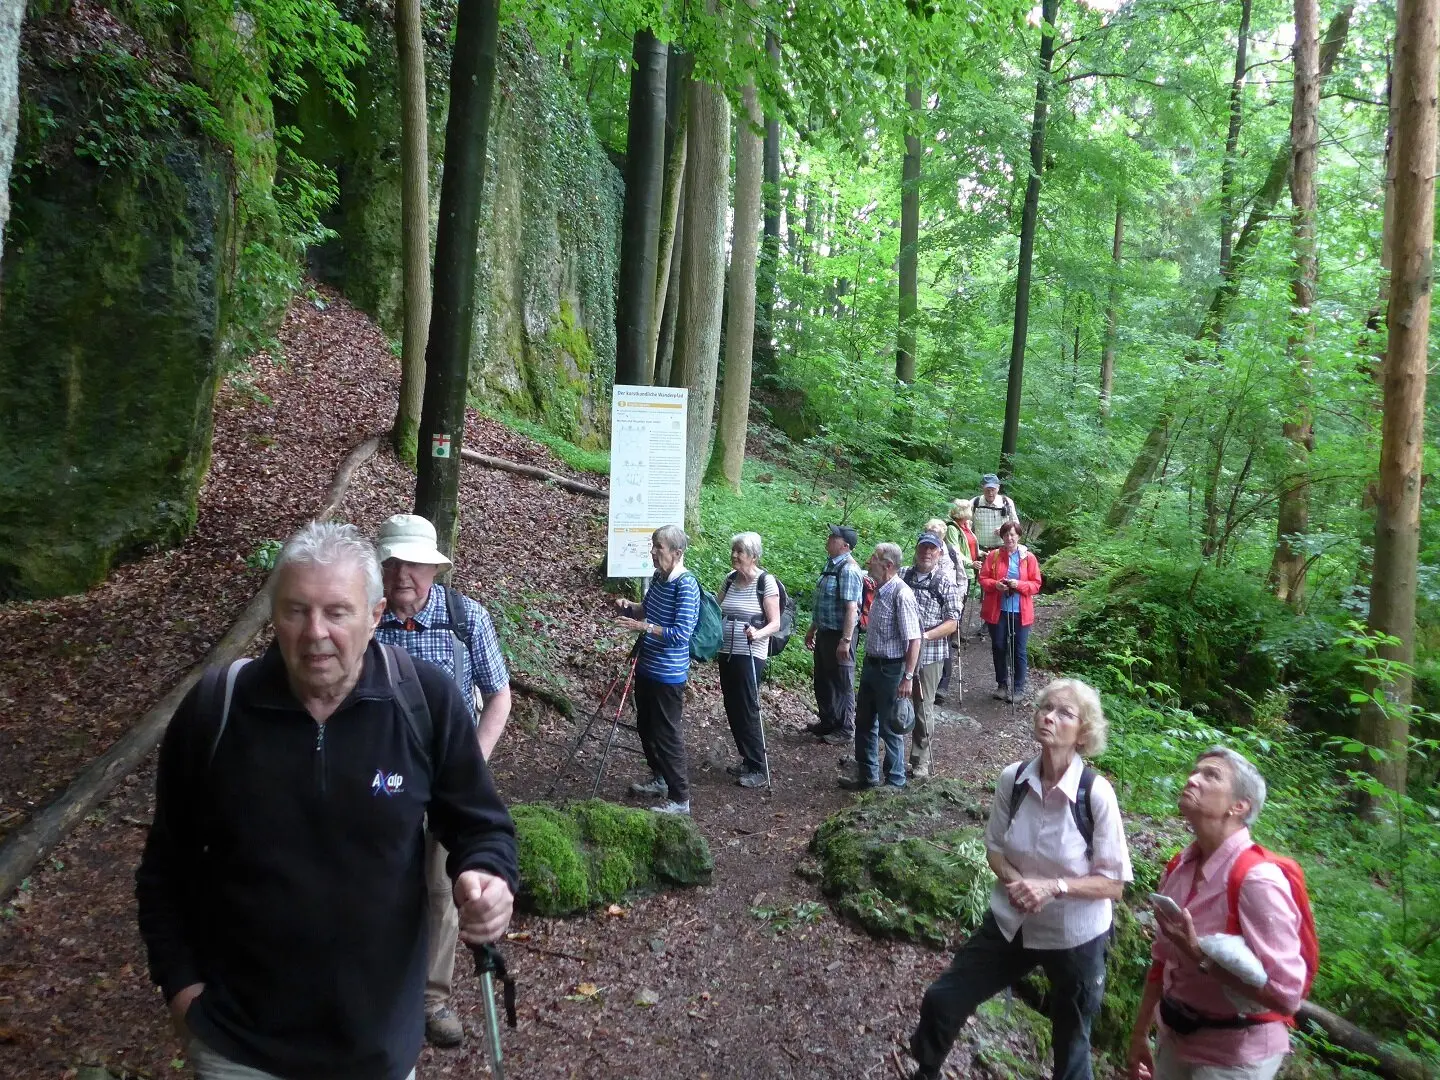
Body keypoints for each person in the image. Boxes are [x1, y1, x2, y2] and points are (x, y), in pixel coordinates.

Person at [136, 522, 517, 1080]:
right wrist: (182, 989)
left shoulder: (424, 701)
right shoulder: (216, 710)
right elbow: (165, 869)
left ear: (374, 617)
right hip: (240, 1048)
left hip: (377, 1050)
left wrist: (490, 876)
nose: (315, 632)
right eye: (296, 610)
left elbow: (481, 826)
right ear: (274, 615)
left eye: (337, 611)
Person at [908, 679, 1132, 1080]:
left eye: (1064, 712)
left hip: (1076, 937)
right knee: (944, 999)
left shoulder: (1095, 794)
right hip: (1013, 923)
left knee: (1072, 1043)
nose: (1048, 716)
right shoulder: (1013, 780)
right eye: (1045, 707)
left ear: (1083, 733)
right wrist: (1017, 884)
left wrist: (1053, 887)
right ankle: (925, 1071)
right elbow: (995, 849)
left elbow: (1114, 884)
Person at [372, 513, 512, 1048]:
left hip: (443, 781)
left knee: (443, 887)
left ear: (432, 568)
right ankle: (378, 987)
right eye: (393, 562)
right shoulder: (367, 620)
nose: (403, 573)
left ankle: (432, 999)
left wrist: (470, 763)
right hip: (376, 778)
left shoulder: (465, 619)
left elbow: (498, 695)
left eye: (414, 563)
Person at [1127, 749, 1307, 1080]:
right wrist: (1140, 1033)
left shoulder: (1257, 881)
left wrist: (1199, 956)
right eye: (1194, 772)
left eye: (1211, 775)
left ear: (1239, 807)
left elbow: (1287, 997)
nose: (1192, 779)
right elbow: (1161, 958)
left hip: (1236, 1057)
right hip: (1175, 1038)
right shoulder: (1180, 867)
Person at [612, 524, 701, 815]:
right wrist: (630, 607)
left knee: (667, 732)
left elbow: (680, 634)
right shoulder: (658, 578)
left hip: (668, 673)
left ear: (677, 553)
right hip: (647, 666)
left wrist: (642, 627)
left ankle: (681, 799)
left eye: (658, 547)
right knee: (646, 726)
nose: (652, 551)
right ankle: (660, 778)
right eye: (653, 545)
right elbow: (647, 611)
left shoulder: (686, 585)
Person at [839, 543, 921, 791]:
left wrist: (907, 677)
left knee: (890, 726)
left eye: (873, 557)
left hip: (892, 670)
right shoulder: (879, 590)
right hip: (872, 665)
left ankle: (895, 781)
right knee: (864, 722)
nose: (868, 561)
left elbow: (914, 639)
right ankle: (868, 776)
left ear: (887, 565)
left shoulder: (901, 594)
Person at [716, 532, 782, 788]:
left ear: (753, 556)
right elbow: (715, 607)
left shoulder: (766, 582)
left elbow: (774, 623)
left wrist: (758, 633)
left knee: (747, 706)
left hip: (751, 653)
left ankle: (758, 766)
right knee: (732, 706)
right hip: (727, 651)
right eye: (733, 550)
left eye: (739, 551)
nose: (734, 555)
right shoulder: (729, 580)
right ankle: (746, 758)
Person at [900, 533, 962, 781]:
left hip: (931, 654)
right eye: (923, 547)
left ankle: (919, 760)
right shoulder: (903, 575)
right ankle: (890, 758)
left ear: (939, 553)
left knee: (922, 707)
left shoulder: (946, 583)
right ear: (916, 549)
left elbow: (952, 623)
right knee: (890, 701)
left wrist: (924, 637)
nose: (927, 552)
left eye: (932, 549)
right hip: (898, 650)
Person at [804, 525, 864, 746]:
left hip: (841, 633)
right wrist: (813, 628)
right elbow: (823, 602)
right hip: (825, 631)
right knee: (823, 678)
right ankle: (828, 720)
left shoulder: (848, 569)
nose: (829, 539)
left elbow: (851, 609)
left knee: (842, 680)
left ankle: (846, 728)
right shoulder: (830, 565)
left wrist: (846, 640)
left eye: (834, 537)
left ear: (845, 546)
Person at [980, 520, 1042, 703]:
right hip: (997, 609)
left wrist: (1020, 585)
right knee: (999, 647)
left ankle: (1018, 687)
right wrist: (995, 585)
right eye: (1006, 535)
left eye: (1013, 535)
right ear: (1002, 537)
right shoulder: (993, 556)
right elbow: (983, 578)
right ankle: (1002, 684)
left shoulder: (1028, 558)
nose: (1009, 538)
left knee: (1019, 650)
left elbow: (1036, 584)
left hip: (1020, 611)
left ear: (1019, 536)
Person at [972, 473, 1021, 555]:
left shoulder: (1006, 502)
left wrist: (1005, 530)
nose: (990, 493)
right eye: (987, 490)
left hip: (1003, 549)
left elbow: (1016, 525)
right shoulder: (975, 503)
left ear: (998, 488)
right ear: (982, 488)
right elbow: (966, 525)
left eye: (993, 489)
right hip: (980, 550)